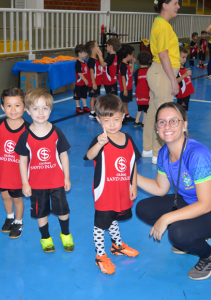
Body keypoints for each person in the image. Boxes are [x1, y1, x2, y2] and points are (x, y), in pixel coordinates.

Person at [136, 102, 211, 280]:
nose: (167, 126)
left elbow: (206, 204)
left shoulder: (197, 155)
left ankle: (210, 256)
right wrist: (132, 176)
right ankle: (193, 235)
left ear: (185, 125)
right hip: (194, 201)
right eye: (161, 122)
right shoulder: (164, 152)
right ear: (156, 127)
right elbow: (160, 188)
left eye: (173, 121)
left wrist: (166, 218)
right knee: (144, 208)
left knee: (177, 232)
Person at [84, 94, 141, 275]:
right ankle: (100, 255)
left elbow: (133, 163)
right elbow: (90, 156)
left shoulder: (128, 139)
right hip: (104, 191)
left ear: (123, 116)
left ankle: (117, 245)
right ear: (99, 120)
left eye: (116, 119)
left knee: (114, 217)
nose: (112, 124)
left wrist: (133, 185)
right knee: (101, 223)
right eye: (107, 120)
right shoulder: (100, 140)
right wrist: (99, 144)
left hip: (122, 189)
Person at [15, 89, 74, 253]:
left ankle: (66, 234)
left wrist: (67, 177)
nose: (40, 112)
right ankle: (46, 237)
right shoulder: (25, 136)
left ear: (50, 109)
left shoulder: (56, 132)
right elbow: (23, 160)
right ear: (27, 111)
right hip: (36, 184)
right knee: (41, 213)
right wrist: (25, 183)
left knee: (63, 211)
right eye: (35, 108)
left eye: (45, 108)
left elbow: (64, 156)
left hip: (57, 182)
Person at [0, 87, 29, 239]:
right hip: (2, 171)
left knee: (17, 198)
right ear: (3, 107)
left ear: (25, 106)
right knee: (5, 196)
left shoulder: (29, 129)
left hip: (18, 174)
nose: (13, 109)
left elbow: (33, 153)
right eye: (9, 105)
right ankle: (10, 217)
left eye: (17, 105)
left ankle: (19, 221)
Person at [142, 0, 180, 165]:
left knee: (152, 113)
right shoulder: (163, 25)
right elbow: (164, 55)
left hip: (157, 72)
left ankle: (148, 149)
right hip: (163, 73)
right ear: (165, 5)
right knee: (165, 116)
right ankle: (158, 154)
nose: (178, 7)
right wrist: (174, 80)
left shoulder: (159, 22)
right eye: (175, 3)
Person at [118, 43, 136, 124]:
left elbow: (130, 73)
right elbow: (123, 77)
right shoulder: (122, 65)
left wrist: (133, 64)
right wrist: (124, 89)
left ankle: (127, 115)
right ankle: (120, 117)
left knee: (126, 102)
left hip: (129, 86)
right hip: (125, 87)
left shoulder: (127, 64)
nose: (132, 56)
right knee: (123, 102)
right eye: (131, 55)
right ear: (128, 55)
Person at [85, 40, 103, 119]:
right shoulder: (91, 61)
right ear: (93, 50)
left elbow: (98, 71)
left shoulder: (97, 59)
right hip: (93, 82)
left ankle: (95, 110)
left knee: (96, 96)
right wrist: (94, 83)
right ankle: (92, 112)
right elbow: (91, 72)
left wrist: (100, 81)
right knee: (93, 97)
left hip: (98, 82)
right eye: (97, 46)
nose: (98, 47)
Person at [133, 51, 151, 128]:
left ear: (138, 61)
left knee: (140, 107)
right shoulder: (150, 71)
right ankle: (143, 123)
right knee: (146, 108)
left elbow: (136, 82)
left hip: (139, 91)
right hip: (147, 91)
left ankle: (136, 121)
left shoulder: (137, 71)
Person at [73, 44, 91, 114]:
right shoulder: (78, 63)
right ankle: (78, 107)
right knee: (77, 95)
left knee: (84, 95)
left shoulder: (85, 62)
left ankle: (85, 106)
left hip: (84, 83)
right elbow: (79, 73)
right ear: (79, 53)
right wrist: (85, 79)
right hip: (79, 83)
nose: (86, 54)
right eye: (85, 53)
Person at [176, 47, 195, 111]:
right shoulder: (176, 69)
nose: (185, 59)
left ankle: (182, 120)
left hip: (187, 94)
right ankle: (182, 121)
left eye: (186, 57)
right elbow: (175, 81)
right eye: (183, 57)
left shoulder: (182, 66)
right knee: (181, 111)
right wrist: (185, 75)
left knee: (183, 110)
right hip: (182, 95)